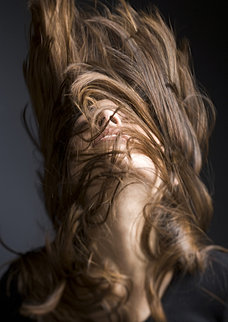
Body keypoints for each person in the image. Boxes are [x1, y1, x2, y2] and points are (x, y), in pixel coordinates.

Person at [1, 0, 228, 321]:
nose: (105, 115)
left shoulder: (220, 288)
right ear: (66, 172)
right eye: (85, 116)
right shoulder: (23, 293)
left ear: (172, 165)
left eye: (129, 112)